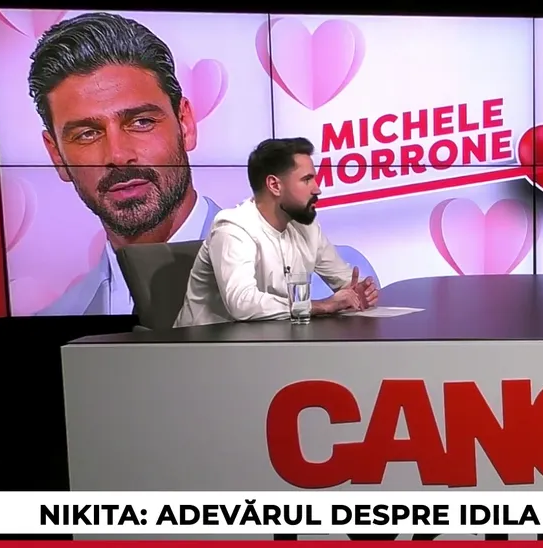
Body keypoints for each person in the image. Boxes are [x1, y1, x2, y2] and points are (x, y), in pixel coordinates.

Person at [27, 12, 221, 316]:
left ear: (185, 125)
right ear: (57, 155)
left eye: (141, 122)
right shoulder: (58, 317)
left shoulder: (293, 277)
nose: (117, 155)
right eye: (88, 134)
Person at [174, 138, 377, 327]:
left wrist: (359, 292)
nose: (317, 189)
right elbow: (242, 303)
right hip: (202, 344)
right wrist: (321, 305)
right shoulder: (233, 228)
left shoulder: (306, 228)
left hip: (267, 340)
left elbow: (345, 280)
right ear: (274, 185)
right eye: (307, 180)